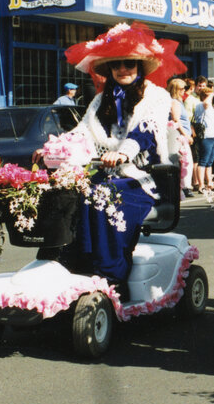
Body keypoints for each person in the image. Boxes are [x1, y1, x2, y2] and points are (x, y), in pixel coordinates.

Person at [51, 21, 184, 291]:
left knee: (103, 195)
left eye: (129, 64)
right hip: (106, 174)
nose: (122, 69)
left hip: (141, 177)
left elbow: (145, 133)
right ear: (109, 69)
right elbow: (82, 131)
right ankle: (74, 265)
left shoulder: (156, 96)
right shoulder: (102, 99)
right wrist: (54, 148)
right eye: (116, 65)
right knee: (70, 194)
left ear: (139, 68)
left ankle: (112, 275)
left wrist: (123, 153)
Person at [167, 77, 194, 198]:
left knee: (186, 162)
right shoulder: (175, 102)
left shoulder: (178, 102)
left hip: (181, 136)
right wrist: (186, 135)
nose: (184, 91)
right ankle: (185, 187)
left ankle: (184, 187)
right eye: (182, 88)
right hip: (180, 137)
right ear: (176, 90)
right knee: (185, 162)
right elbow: (176, 120)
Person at [194, 85, 214, 192]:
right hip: (208, 135)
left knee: (209, 162)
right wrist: (210, 95)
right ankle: (201, 185)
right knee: (203, 161)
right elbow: (206, 102)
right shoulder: (203, 105)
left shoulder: (208, 106)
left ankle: (209, 182)